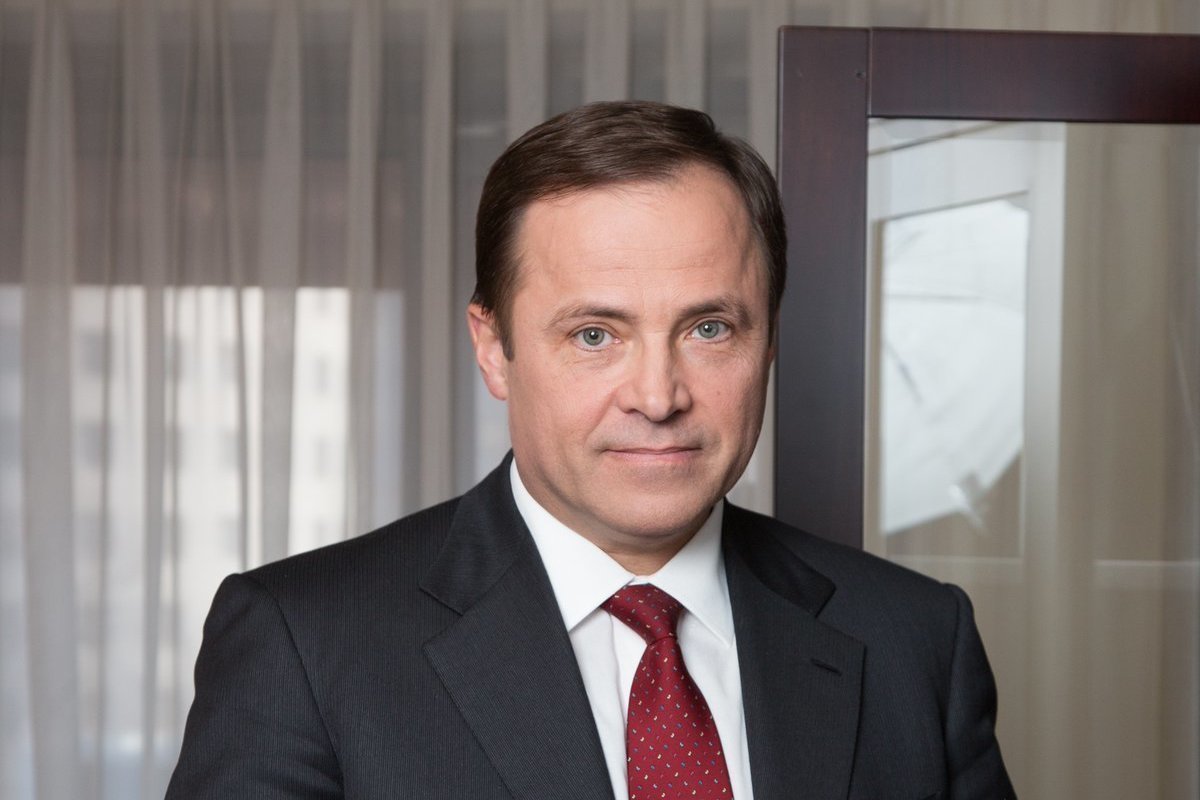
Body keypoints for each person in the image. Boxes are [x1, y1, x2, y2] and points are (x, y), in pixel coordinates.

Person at [167, 101, 1015, 799]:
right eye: (595, 335)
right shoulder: (305, 644)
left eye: (709, 328)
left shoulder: (914, 641)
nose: (658, 395)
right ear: (493, 350)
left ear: (768, 342)